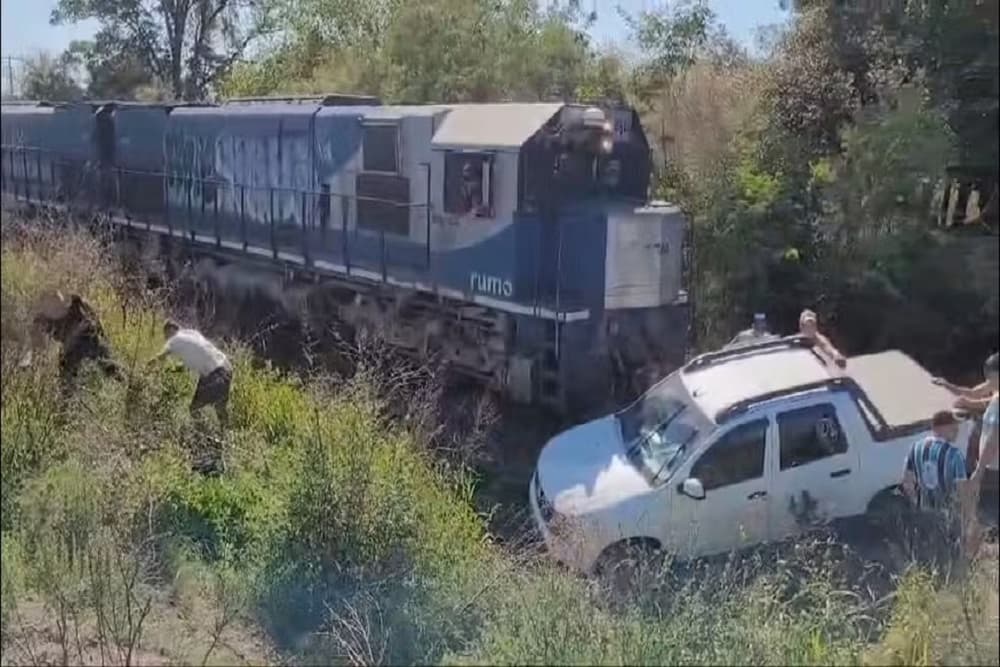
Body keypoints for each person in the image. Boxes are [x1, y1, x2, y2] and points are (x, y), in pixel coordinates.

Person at [901, 410, 974, 560]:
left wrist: (917, 502)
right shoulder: (954, 455)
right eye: (953, 427)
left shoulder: (916, 448)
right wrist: (968, 519)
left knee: (931, 554)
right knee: (953, 556)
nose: (957, 430)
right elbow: (962, 491)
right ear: (940, 428)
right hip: (949, 516)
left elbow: (907, 482)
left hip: (925, 512)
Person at [26, 290, 121, 388]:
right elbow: (36, 344)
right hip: (72, 351)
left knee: (109, 367)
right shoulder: (44, 320)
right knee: (67, 378)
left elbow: (95, 321)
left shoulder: (77, 303)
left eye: (55, 298)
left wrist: (103, 337)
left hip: (90, 342)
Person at [149, 320, 232, 429]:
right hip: (226, 367)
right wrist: (171, 370)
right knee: (220, 408)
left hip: (213, 373)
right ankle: (225, 436)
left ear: (171, 330)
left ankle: (202, 436)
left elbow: (161, 356)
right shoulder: (192, 334)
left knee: (194, 408)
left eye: (166, 334)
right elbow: (190, 361)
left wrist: (147, 366)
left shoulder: (175, 339)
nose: (166, 338)